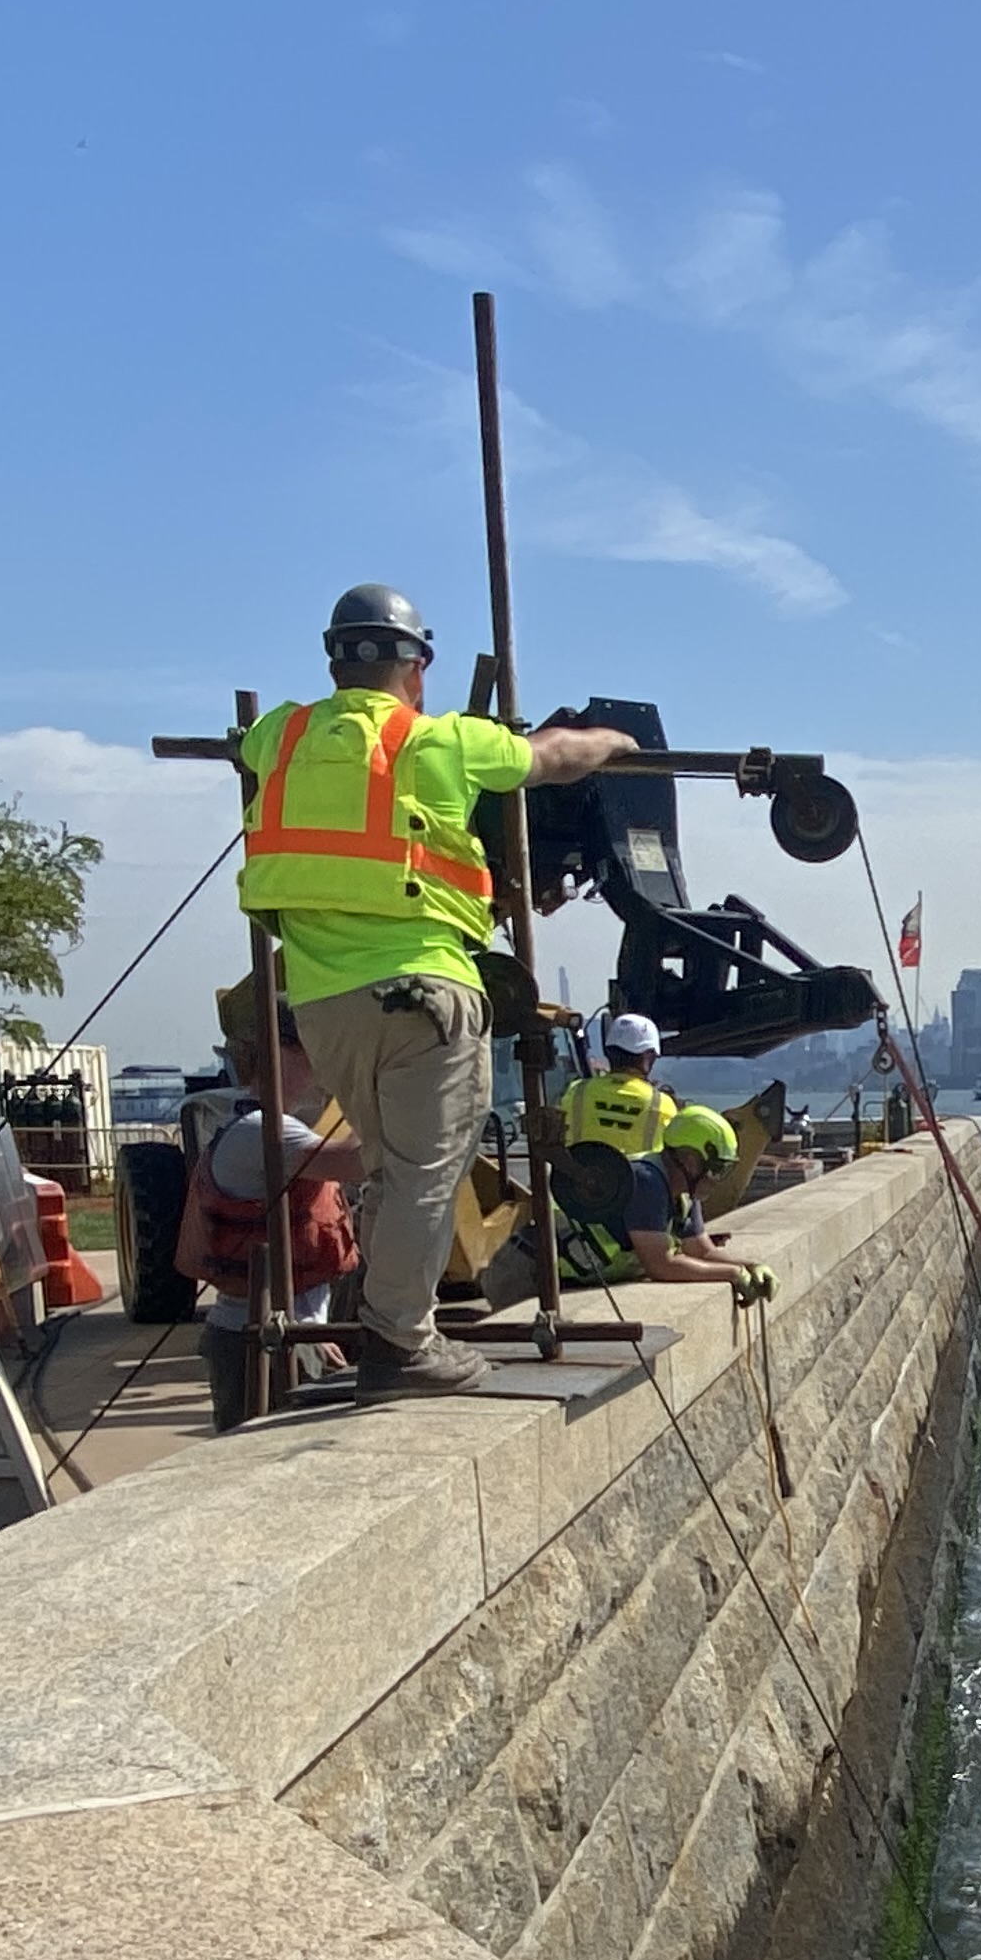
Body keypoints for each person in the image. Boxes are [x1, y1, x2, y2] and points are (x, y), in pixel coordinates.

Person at [234, 582, 635, 1394]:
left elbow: (248, 750)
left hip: (322, 1003)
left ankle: (387, 1320)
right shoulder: (444, 742)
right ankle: (401, 1342)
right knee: (430, 1172)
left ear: (334, 659)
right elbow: (555, 757)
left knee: (391, 1166)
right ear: (418, 665)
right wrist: (615, 741)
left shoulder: (278, 734)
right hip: (424, 990)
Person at [172, 1001, 366, 1431]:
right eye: (312, 1048)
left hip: (284, 1333)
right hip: (261, 1341)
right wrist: (374, 1090)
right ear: (278, 1051)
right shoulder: (258, 1131)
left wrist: (314, 1335)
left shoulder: (259, 1125)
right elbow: (357, 1161)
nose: (322, 1062)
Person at [481, 1101, 773, 1311]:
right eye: (718, 1169)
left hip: (561, 1277)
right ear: (691, 1160)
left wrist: (750, 1266)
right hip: (523, 1272)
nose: (718, 1179)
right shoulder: (646, 1182)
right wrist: (731, 1275)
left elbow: (702, 1251)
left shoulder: (684, 1194)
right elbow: (661, 1265)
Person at [556, 1012, 677, 1156]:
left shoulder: (575, 1092)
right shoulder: (662, 1105)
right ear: (648, 1057)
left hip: (576, 1178)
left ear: (607, 1051)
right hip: (639, 1178)